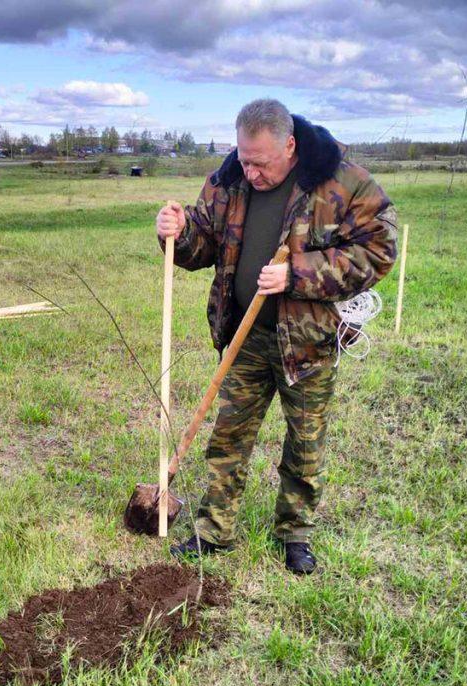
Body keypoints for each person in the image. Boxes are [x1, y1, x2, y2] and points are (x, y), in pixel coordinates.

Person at [156, 99, 397, 574]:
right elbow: (201, 242)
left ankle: (295, 534)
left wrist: (298, 275)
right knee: (229, 437)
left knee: (304, 443)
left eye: (260, 163)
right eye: (243, 158)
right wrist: (178, 232)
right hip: (244, 335)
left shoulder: (342, 182)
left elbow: (380, 249)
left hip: (306, 341)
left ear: (289, 146)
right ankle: (213, 530)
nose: (250, 171)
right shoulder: (228, 180)